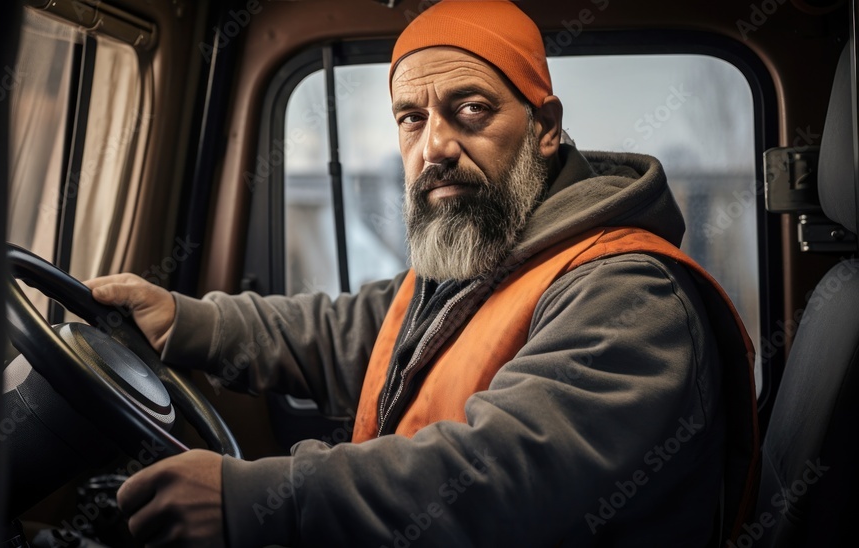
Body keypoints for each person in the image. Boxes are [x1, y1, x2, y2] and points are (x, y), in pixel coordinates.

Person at [85, 1, 759, 545]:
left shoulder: (630, 297)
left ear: (545, 127)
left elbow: (499, 478)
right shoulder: (491, 256)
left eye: (470, 111)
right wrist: (186, 319)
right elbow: (352, 330)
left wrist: (259, 499)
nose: (435, 145)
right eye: (412, 118)